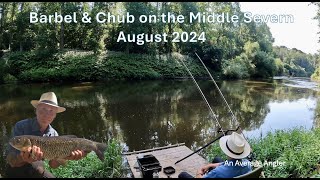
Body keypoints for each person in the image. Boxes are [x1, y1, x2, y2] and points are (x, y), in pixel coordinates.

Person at [5, 92, 87, 178]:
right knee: (37, 167)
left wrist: (66, 156)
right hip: (15, 170)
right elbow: (11, 160)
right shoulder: (21, 126)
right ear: (36, 110)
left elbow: (53, 165)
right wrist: (23, 158)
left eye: (51, 111)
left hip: (37, 171)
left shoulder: (54, 134)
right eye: (43, 109)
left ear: (55, 115)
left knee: (39, 168)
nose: (46, 114)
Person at [178, 132, 252, 178]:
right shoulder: (248, 164)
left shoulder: (218, 172)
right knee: (217, 159)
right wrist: (209, 165)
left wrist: (198, 173)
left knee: (182, 175)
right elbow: (229, 164)